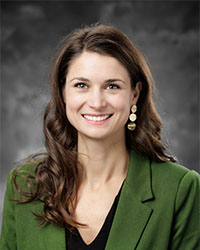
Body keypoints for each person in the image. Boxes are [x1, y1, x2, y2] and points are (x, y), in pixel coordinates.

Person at [0, 24, 199, 250]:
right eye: (81, 85)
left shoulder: (179, 189)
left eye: (112, 86)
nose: (96, 102)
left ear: (135, 94)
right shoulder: (24, 184)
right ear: (63, 92)